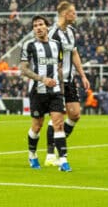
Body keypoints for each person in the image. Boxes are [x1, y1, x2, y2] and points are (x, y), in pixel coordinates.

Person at [19, 15, 71, 172]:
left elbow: (59, 68)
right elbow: (23, 69)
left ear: (47, 26)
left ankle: (63, 161)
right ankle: (32, 155)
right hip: (38, 92)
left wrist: (62, 88)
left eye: (41, 24)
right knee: (37, 126)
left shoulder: (57, 45)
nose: (38, 27)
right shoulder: (29, 45)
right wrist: (42, 78)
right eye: (35, 25)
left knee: (58, 124)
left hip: (55, 92)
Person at [44, 1, 90, 166]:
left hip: (70, 80)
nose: (75, 15)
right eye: (73, 12)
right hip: (56, 81)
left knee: (75, 114)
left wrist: (83, 75)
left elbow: (75, 54)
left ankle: (57, 146)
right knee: (57, 118)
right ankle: (50, 155)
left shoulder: (71, 31)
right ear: (65, 14)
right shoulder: (53, 33)